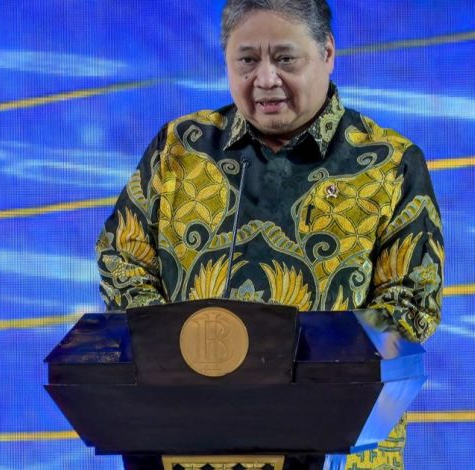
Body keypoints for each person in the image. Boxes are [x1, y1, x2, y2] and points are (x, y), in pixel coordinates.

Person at [96, 0, 443, 468]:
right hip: (189, 438)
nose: (264, 79)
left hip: (334, 443)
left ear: (327, 53)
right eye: (246, 60)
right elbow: (122, 257)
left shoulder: (390, 163)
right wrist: (181, 349)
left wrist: (291, 359)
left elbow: (412, 306)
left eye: (284, 58)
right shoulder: (180, 148)